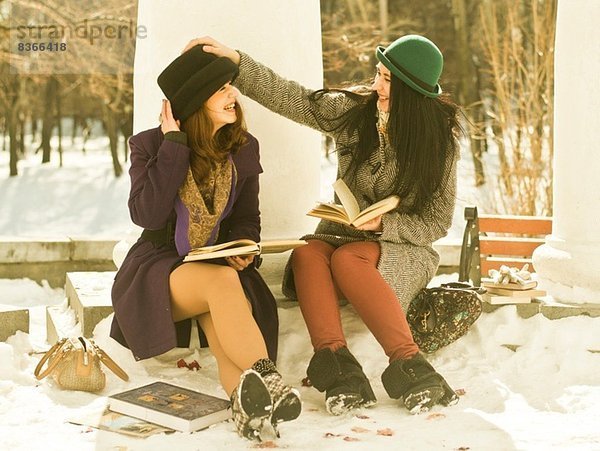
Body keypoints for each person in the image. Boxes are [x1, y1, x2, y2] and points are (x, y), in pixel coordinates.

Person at [184, 34, 462, 415]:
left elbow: (436, 222)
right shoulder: (356, 115)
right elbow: (293, 98)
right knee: (307, 253)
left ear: (414, 93)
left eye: (388, 81)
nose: (377, 86)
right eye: (378, 74)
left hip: (402, 249)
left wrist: (385, 224)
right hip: (343, 235)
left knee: (348, 260)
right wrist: (236, 62)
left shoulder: (439, 144)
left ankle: (412, 368)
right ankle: (338, 370)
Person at [109, 46, 301, 440]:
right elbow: (147, 215)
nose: (233, 95)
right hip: (161, 269)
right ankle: (271, 380)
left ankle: (247, 406)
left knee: (221, 307)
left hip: (217, 266)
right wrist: (174, 146)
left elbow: (247, 217)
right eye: (222, 89)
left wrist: (244, 247)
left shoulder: (244, 148)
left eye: (230, 86)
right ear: (197, 102)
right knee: (220, 285)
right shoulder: (150, 144)